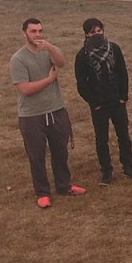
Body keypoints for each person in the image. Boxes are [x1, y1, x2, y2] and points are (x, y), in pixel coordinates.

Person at [10, 17, 85, 208]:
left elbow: (62, 62)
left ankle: (64, 185)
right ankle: (42, 192)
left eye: (40, 31)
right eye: (33, 31)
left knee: (61, 151)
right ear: (24, 33)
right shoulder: (18, 59)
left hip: (56, 109)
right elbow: (25, 89)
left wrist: (50, 48)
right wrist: (49, 80)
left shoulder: (48, 50)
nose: (38, 35)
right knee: (37, 155)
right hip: (32, 115)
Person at [73, 18, 132, 185]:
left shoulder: (114, 49)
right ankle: (106, 171)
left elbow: (122, 73)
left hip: (117, 101)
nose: (96, 34)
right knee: (101, 139)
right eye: (92, 32)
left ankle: (128, 166)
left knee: (124, 136)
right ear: (86, 34)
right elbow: (81, 83)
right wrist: (94, 102)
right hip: (99, 104)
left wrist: (123, 96)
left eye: (98, 31)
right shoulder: (82, 56)